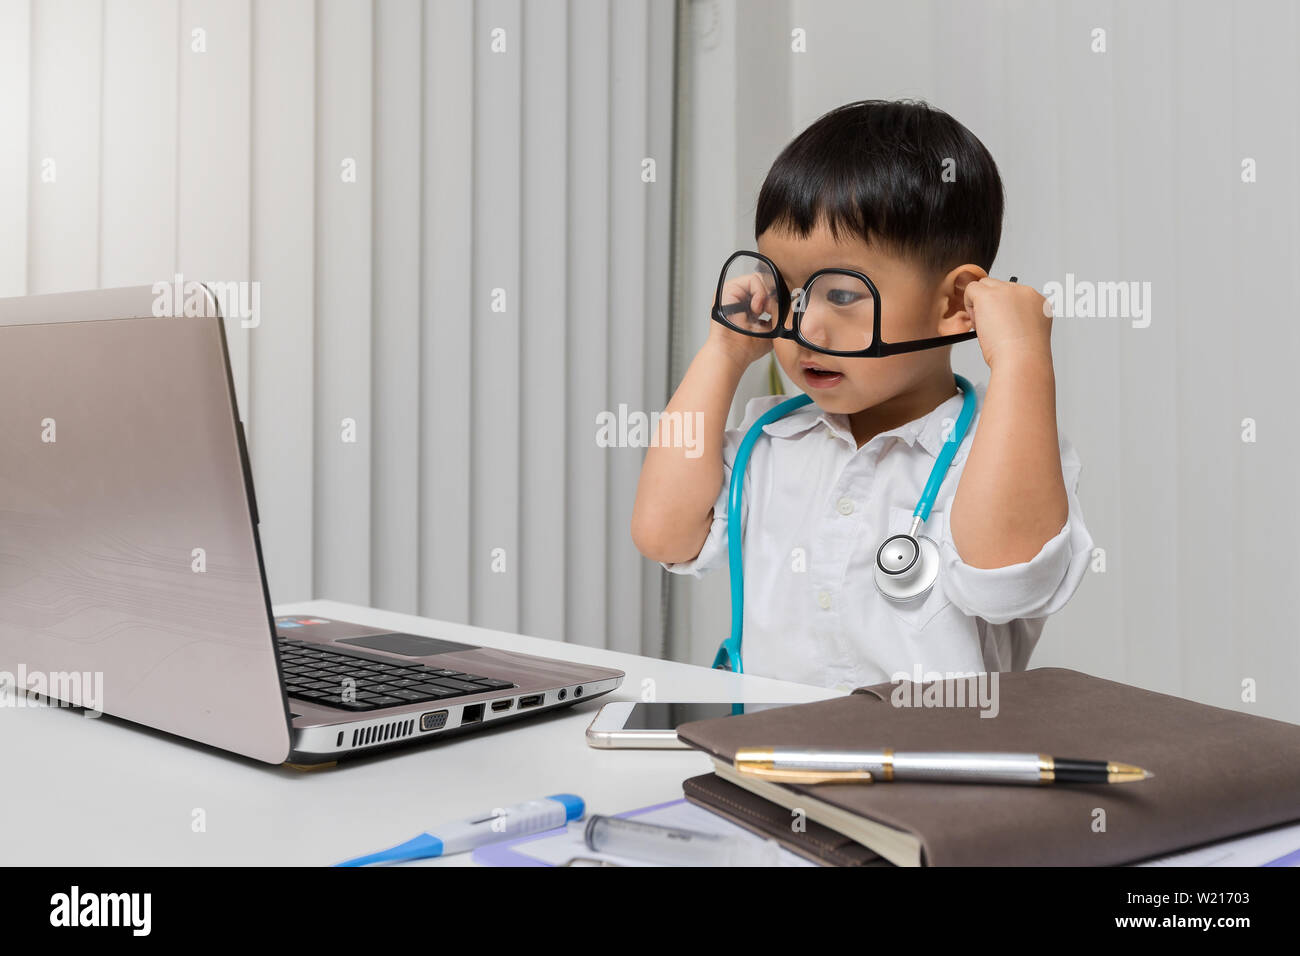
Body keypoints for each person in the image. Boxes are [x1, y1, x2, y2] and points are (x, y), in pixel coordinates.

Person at [631, 99, 1094, 690]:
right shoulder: (768, 438)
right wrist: (721, 353)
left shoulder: (1001, 448)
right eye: (789, 291)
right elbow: (662, 533)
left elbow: (1004, 582)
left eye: (842, 295)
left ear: (954, 305)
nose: (806, 328)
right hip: (775, 761)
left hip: (935, 774)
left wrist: (1022, 361)